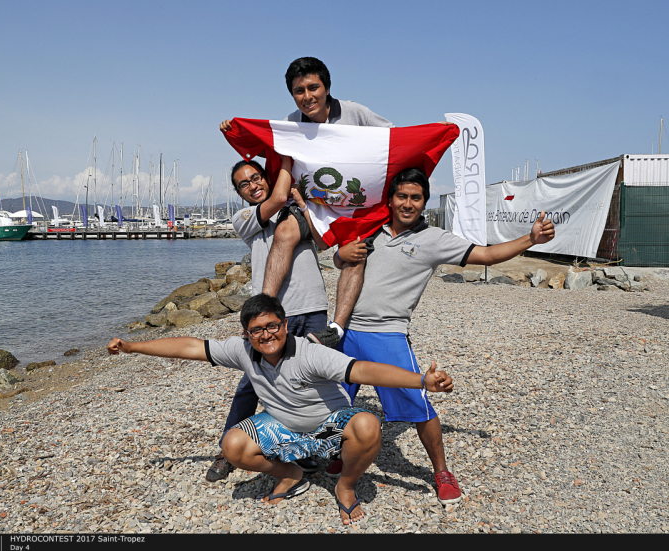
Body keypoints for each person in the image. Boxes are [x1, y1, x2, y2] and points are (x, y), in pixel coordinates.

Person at [107, 294, 454, 525]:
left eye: (273, 326)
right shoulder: (243, 351)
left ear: (286, 325)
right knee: (232, 445)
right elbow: (189, 346)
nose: (267, 334)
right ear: (246, 334)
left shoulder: (309, 353)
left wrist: (420, 381)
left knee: (366, 425)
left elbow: (361, 370)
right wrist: (133, 346)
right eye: (257, 330)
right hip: (285, 430)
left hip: (329, 431)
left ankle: (345, 486)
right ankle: (290, 475)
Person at [333, 167, 556, 504]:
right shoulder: (369, 229)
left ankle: (441, 472)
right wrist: (338, 255)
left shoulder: (434, 240)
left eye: (415, 198)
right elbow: (342, 261)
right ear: (391, 200)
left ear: (423, 203)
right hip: (345, 329)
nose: (408, 203)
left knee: (418, 405)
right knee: (334, 402)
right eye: (402, 196)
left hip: (387, 333)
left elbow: (486, 254)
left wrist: (530, 239)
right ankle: (338, 454)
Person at [219, 56, 395, 352]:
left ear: (327, 88)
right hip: (313, 203)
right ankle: (262, 312)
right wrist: (235, 131)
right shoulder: (291, 124)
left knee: (355, 255)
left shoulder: (353, 112)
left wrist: (432, 136)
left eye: (313, 88)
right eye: (299, 91)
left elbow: (393, 139)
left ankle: (336, 327)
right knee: (285, 232)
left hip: (355, 203)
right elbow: (264, 145)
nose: (307, 96)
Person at [204, 154, 330, 482]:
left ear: (267, 176)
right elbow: (276, 198)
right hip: (269, 315)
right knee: (252, 385)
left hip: (312, 306)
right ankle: (226, 450)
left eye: (256, 177)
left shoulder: (299, 209)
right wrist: (287, 151)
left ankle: (312, 449)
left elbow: (325, 243)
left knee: (313, 382)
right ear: (239, 193)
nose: (252, 185)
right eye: (243, 183)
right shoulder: (245, 218)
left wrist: (304, 206)